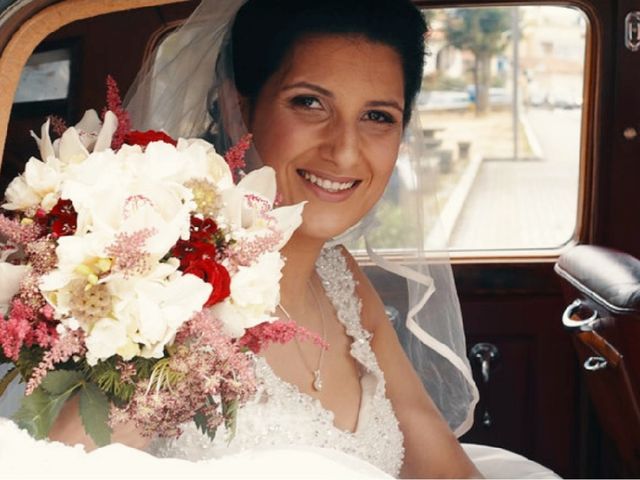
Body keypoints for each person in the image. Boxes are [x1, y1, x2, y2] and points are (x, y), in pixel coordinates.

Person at [0, 0, 560, 478]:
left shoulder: (343, 280)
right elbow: (64, 468)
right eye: (309, 103)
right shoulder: (173, 291)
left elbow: (444, 470)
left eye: (378, 116)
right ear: (241, 106)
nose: (344, 151)